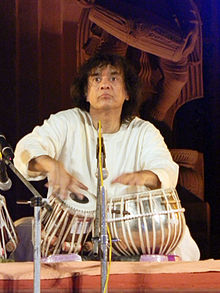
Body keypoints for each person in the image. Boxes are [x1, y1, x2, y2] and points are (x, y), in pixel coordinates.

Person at [13, 53, 200, 261]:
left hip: (128, 235)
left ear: (127, 92)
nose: (104, 85)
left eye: (113, 78)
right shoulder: (67, 122)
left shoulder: (143, 131)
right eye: (96, 79)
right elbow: (27, 148)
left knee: (180, 235)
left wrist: (144, 177)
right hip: (68, 234)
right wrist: (53, 166)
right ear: (86, 93)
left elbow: (165, 168)